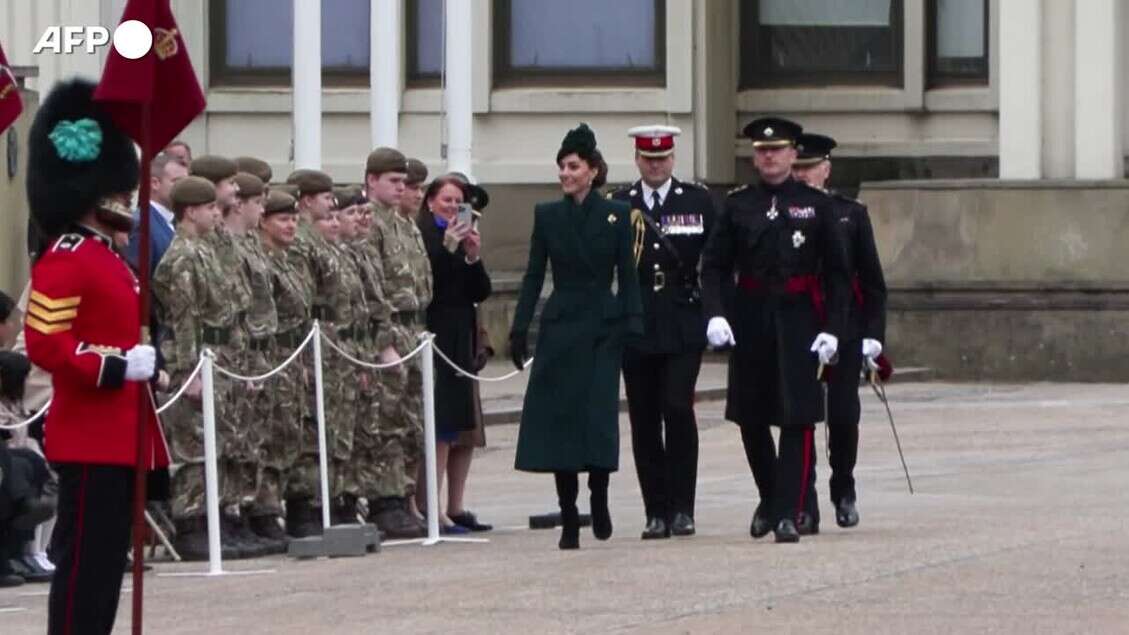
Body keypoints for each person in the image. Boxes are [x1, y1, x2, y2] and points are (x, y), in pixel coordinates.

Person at [23, 77, 169, 634]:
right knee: (84, 567)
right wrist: (115, 364)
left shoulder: (106, 256)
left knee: (107, 565)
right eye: (118, 189)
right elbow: (45, 344)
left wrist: (146, 360)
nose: (128, 199)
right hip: (88, 434)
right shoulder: (67, 257)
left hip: (118, 433)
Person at [700, 117, 850, 544]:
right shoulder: (737, 204)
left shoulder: (815, 205)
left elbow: (839, 275)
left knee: (797, 417)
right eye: (762, 150)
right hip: (750, 314)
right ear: (754, 155)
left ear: (792, 154)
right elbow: (714, 266)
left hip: (800, 316)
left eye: (778, 150)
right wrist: (715, 314)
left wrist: (834, 330)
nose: (769, 156)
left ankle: (789, 510)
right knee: (751, 416)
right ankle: (770, 496)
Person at [510, 123, 643, 550]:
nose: (565, 174)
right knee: (560, 421)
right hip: (562, 323)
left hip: (603, 323)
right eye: (561, 167)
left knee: (598, 416)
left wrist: (632, 322)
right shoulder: (547, 215)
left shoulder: (617, 214)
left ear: (592, 170)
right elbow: (534, 274)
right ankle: (569, 514)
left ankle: (599, 494)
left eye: (573, 166)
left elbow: (628, 273)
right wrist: (519, 326)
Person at [608, 125, 714, 539]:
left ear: (673, 159)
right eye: (648, 158)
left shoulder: (698, 200)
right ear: (637, 159)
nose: (655, 165)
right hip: (636, 321)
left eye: (663, 158)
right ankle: (655, 509)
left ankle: (682, 508)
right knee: (644, 417)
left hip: (682, 318)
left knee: (678, 408)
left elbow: (718, 258)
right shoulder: (620, 203)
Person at [791, 132, 887, 531]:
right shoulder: (781, 212)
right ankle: (805, 499)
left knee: (844, 415)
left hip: (844, 325)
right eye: (796, 168)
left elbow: (872, 281)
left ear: (826, 170)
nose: (802, 175)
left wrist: (873, 334)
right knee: (801, 416)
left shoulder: (850, 214)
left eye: (809, 168)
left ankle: (843, 487)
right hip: (801, 326)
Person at [153, 176, 250, 560]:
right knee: (192, 447)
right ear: (191, 211)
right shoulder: (183, 256)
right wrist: (189, 369)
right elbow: (184, 318)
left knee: (218, 440)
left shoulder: (205, 250)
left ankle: (216, 518)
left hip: (217, 352)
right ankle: (191, 524)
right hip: (193, 356)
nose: (217, 213)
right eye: (210, 207)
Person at [416, 174, 493, 534]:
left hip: (460, 335)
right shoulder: (426, 235)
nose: (451, 207)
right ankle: (431, 506)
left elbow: (481, 290)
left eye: (457, 202)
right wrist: (448, 246)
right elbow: (430, 281)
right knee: (441, 423)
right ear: (431, 201)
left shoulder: (461, 234)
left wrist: (473, 256)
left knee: (458, 425)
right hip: (435, 333)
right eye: (446, 200)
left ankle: (452, 504)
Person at [364, 148, 431, 539]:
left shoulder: (404, 223)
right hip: (392, 331)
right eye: (392, 181)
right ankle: (385, 499)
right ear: (372, 180)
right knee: (387, 422)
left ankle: (405, 496)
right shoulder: (371, 223)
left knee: (411, 422)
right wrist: (383, 341)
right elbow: (373, 288)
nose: (400, 188)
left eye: (403, 182)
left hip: (415, 329)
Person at [282, 168, 344, 537]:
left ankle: (324, 501)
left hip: (324, 339)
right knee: (305, 430)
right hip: (304, 340)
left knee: (323, 425)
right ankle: (303, 506)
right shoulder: (304, 240)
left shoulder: (317, 238)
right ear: (306, 200)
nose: (331, 204)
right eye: (325, 198)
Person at [256, 191, 313, 542]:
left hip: (293, 357)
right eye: (282, 219)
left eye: (293, 219)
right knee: (270, 438)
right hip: (271, 355)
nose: (290, 225)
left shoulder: (291, 260)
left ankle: (287, 509)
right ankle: (263, 510)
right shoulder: (262, 260)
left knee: (292, 435)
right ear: (264, 221)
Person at [124, 152, 188, 276]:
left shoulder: (175, 221)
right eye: (178, 182)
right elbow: (138, 282)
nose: (186, 188)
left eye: (187, 182)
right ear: (155, 183)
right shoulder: (142, 226)